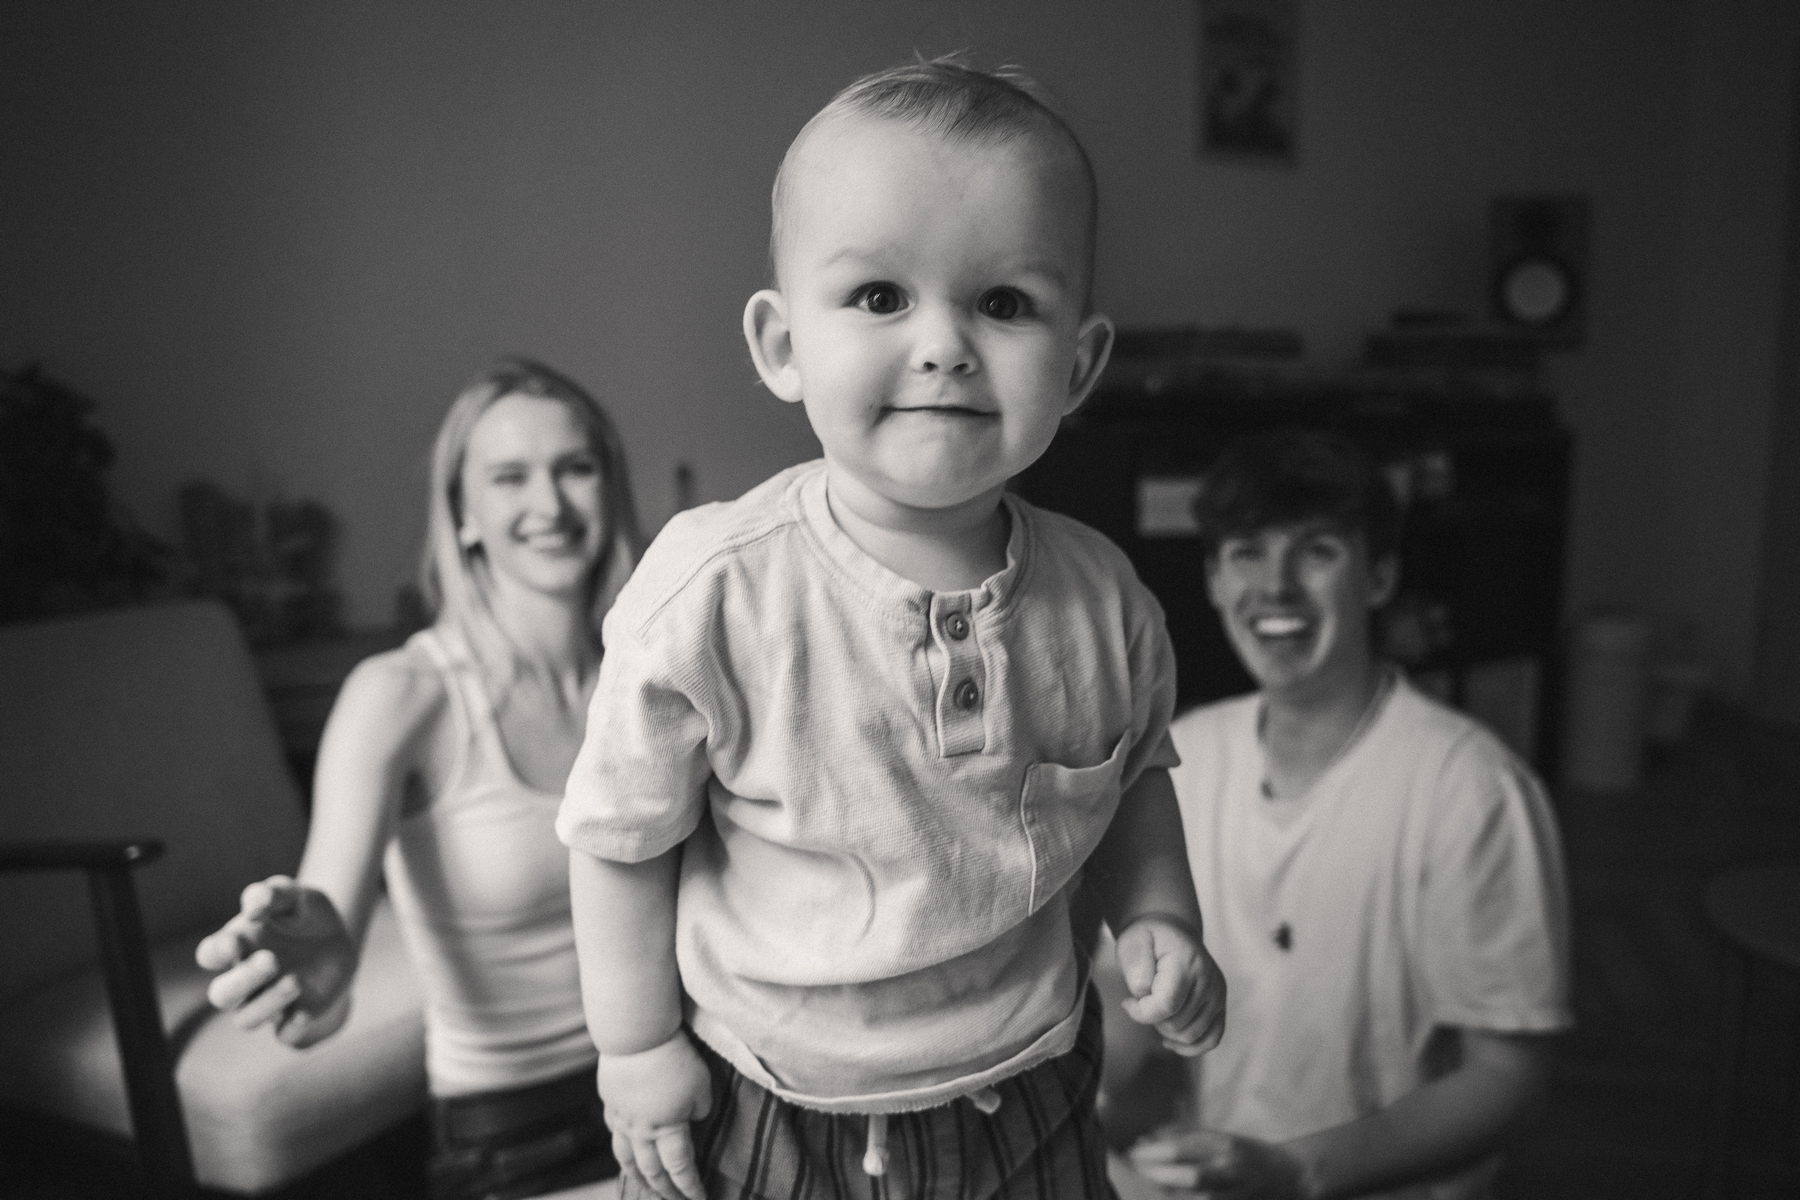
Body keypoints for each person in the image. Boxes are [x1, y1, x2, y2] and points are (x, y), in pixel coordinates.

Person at [554, 59, 1227, 1200]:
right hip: (772, 1094)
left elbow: (1132, 785)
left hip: (1032, 1080)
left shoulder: (1104, 600)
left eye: (1003, 303)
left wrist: (1160, 914)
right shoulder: (715, 592)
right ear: (782, 346)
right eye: (879, 297)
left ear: (1078, 365)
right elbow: (621, 837)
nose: (945, 344)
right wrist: (633, 1045)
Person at [196, 358, 644, 1200]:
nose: (549, 504)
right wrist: (308, 981)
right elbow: (325, 972)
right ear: (463, 514)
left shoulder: (652, 671)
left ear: (610, 487)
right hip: (519, 1139)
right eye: (509, 477)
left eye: (575, 468)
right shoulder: (400, 695)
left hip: (686, 1092)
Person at [1104, 428, 1573, 1200]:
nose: (1276, 586)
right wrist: (1088, 1091)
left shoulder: (1474, 791)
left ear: (1380, 576)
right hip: (1216, 1174)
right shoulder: (1185, 757)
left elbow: (1510, 1079)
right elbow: (1119, 982)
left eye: (1317, 551)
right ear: (1215, 581)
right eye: (1247, 553)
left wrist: (1297, 1171)